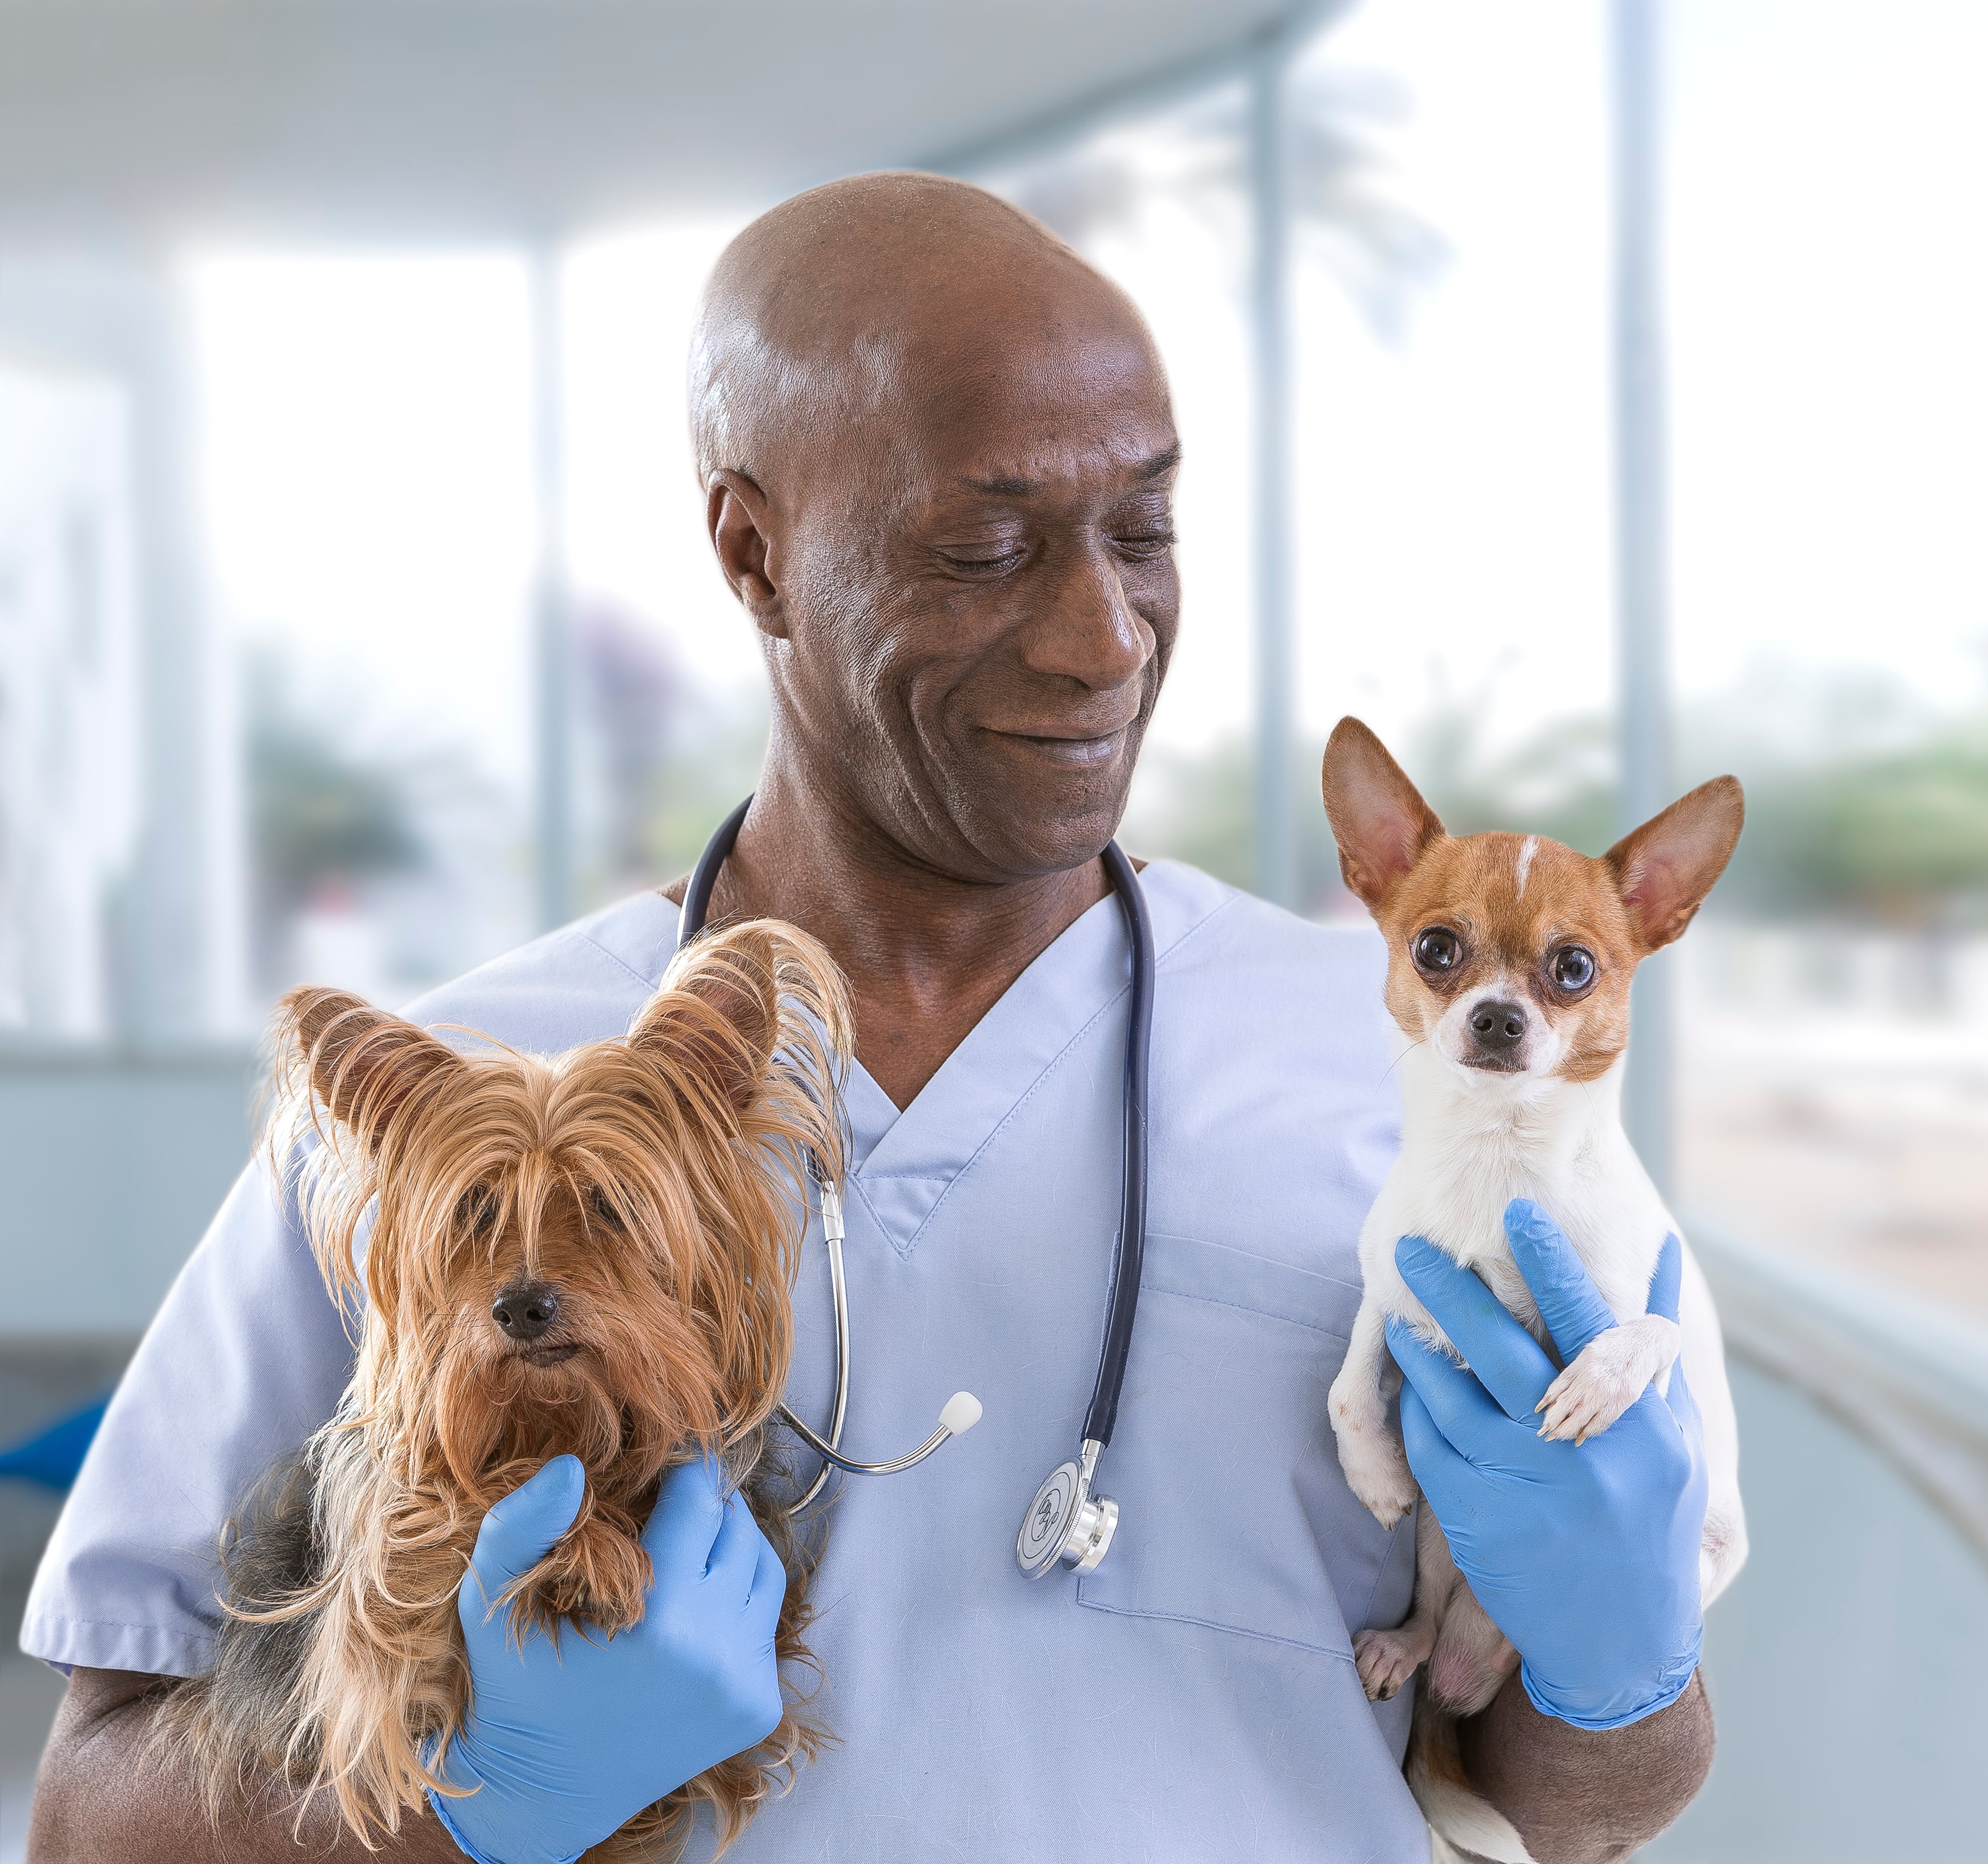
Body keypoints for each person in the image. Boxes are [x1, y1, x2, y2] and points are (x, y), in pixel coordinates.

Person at [22, 173, 1724, 1863]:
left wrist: (1608, 1663)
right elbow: (93, 1809)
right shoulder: (440, 1100)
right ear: (753, 552)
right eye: (985, 548)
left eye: (1144, 532)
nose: (1104, 637)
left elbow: (1591, 1801)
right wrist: (475, 1807)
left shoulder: (1420, 1082)